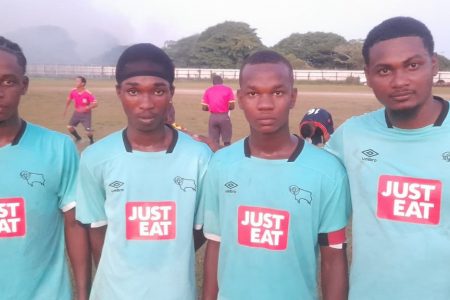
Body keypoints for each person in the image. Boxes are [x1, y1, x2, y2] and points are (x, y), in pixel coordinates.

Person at [202, 50, 351, 300]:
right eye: (253, 93)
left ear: (293, 97)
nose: (265, 104)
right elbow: (215, 244)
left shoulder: (328, 172)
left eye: (278, 92)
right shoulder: (220, 164)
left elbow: (333, 259)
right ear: (239, 99)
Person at [325, 17, 450, 299]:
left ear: (434, 65)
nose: (399, 81)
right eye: (384, 70)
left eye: (412, 65)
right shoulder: (352, 136)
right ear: (368, 75)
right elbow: (307, 174)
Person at [75, 43, 212, 300]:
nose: (146, 103)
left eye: (158, 91)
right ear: (119, 92)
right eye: (134, 91)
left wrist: (167, 253)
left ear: (171, 92)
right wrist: (125, 261)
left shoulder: (199, 157)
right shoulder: (95, 158)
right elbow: (97, 228)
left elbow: (198, 230)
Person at [0, 36, 90, 299]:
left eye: (8, 81)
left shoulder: (58, 148)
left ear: (24, 85)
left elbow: (75, 226)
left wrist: (83, 294)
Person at [201, 74, 235, 146]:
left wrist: (212, 108)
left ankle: (215, 155)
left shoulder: (208, 90)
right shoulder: (228, 89)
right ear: (222, 82)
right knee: (227, 140)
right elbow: (232, 106)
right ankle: (227, 154)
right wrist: (224, 107)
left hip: (213, 117)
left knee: (214, 142)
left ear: (213, 83)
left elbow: (204, 108)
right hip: (224, 116)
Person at [64, 76, 97, 144]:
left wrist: (86, 108)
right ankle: (78, 137)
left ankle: (91, 140)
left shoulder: (88, 93)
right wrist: (66, 108)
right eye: (75, 81)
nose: (75, 83)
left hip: (86, 115)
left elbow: (95, 104)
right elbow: (69, 99)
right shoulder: (73, 91)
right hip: (76, 113)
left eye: (77, 81)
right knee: (69, 127)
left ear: (82, 83)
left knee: (88, 132)